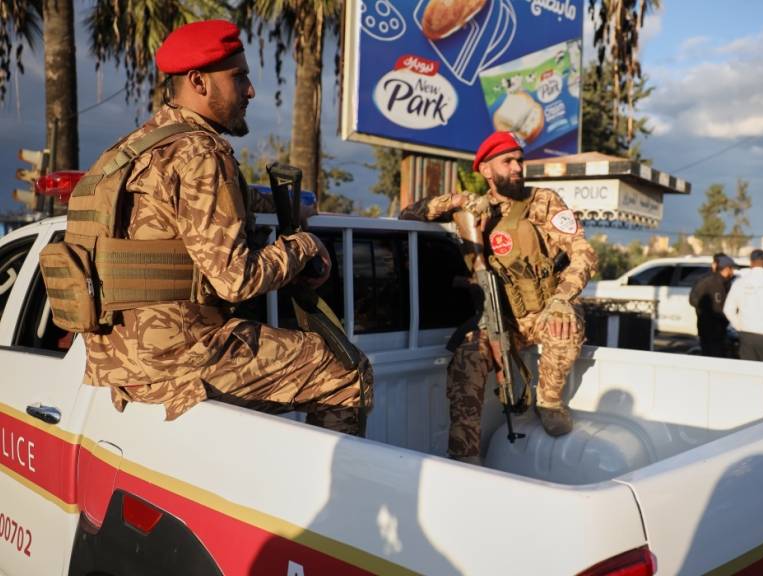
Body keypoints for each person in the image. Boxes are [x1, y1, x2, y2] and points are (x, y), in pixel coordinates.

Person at [79, 20, 371, 434]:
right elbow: (235, 280)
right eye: (239, 77)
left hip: (119, 362)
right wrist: (303, 245)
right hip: (181, 358)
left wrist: (286, 205)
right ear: (198, 82)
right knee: (347, 370)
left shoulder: (133, 149)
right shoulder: (201, 151)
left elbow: (203, 207)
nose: (250, 90)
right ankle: (328, 497)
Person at [401, 131, 597, 462]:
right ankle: (465, 457)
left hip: (545, 310)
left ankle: (548, 401)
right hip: (500, 318)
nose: (518, 167)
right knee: (466, 358)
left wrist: (563, 298)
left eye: (520, 160)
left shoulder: (543, 201)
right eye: (508, 161)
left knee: (565, 323)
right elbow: (409, 214)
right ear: (487, 171)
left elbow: (583, 253)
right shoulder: (477, 210)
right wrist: (459, 201)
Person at [688, 254, 736, 357]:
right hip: (709, 327)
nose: (733, 272)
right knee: (711, 355)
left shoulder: (726, 283)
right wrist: (708, 310)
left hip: (720, 329)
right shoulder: (708, 281)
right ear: (727, 268)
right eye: (732, 269)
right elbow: (693, 300)